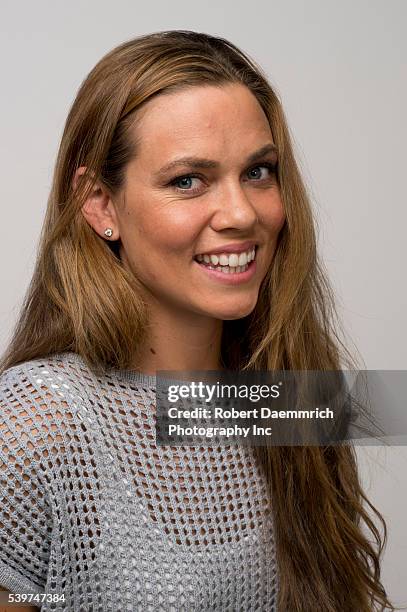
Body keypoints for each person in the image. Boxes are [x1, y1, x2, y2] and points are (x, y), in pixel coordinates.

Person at [0, 30, 395, 611]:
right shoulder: (38, 427)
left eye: (259, 172)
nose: (241, 213)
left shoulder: (288, 401)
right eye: (188, 180)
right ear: (100, 204)